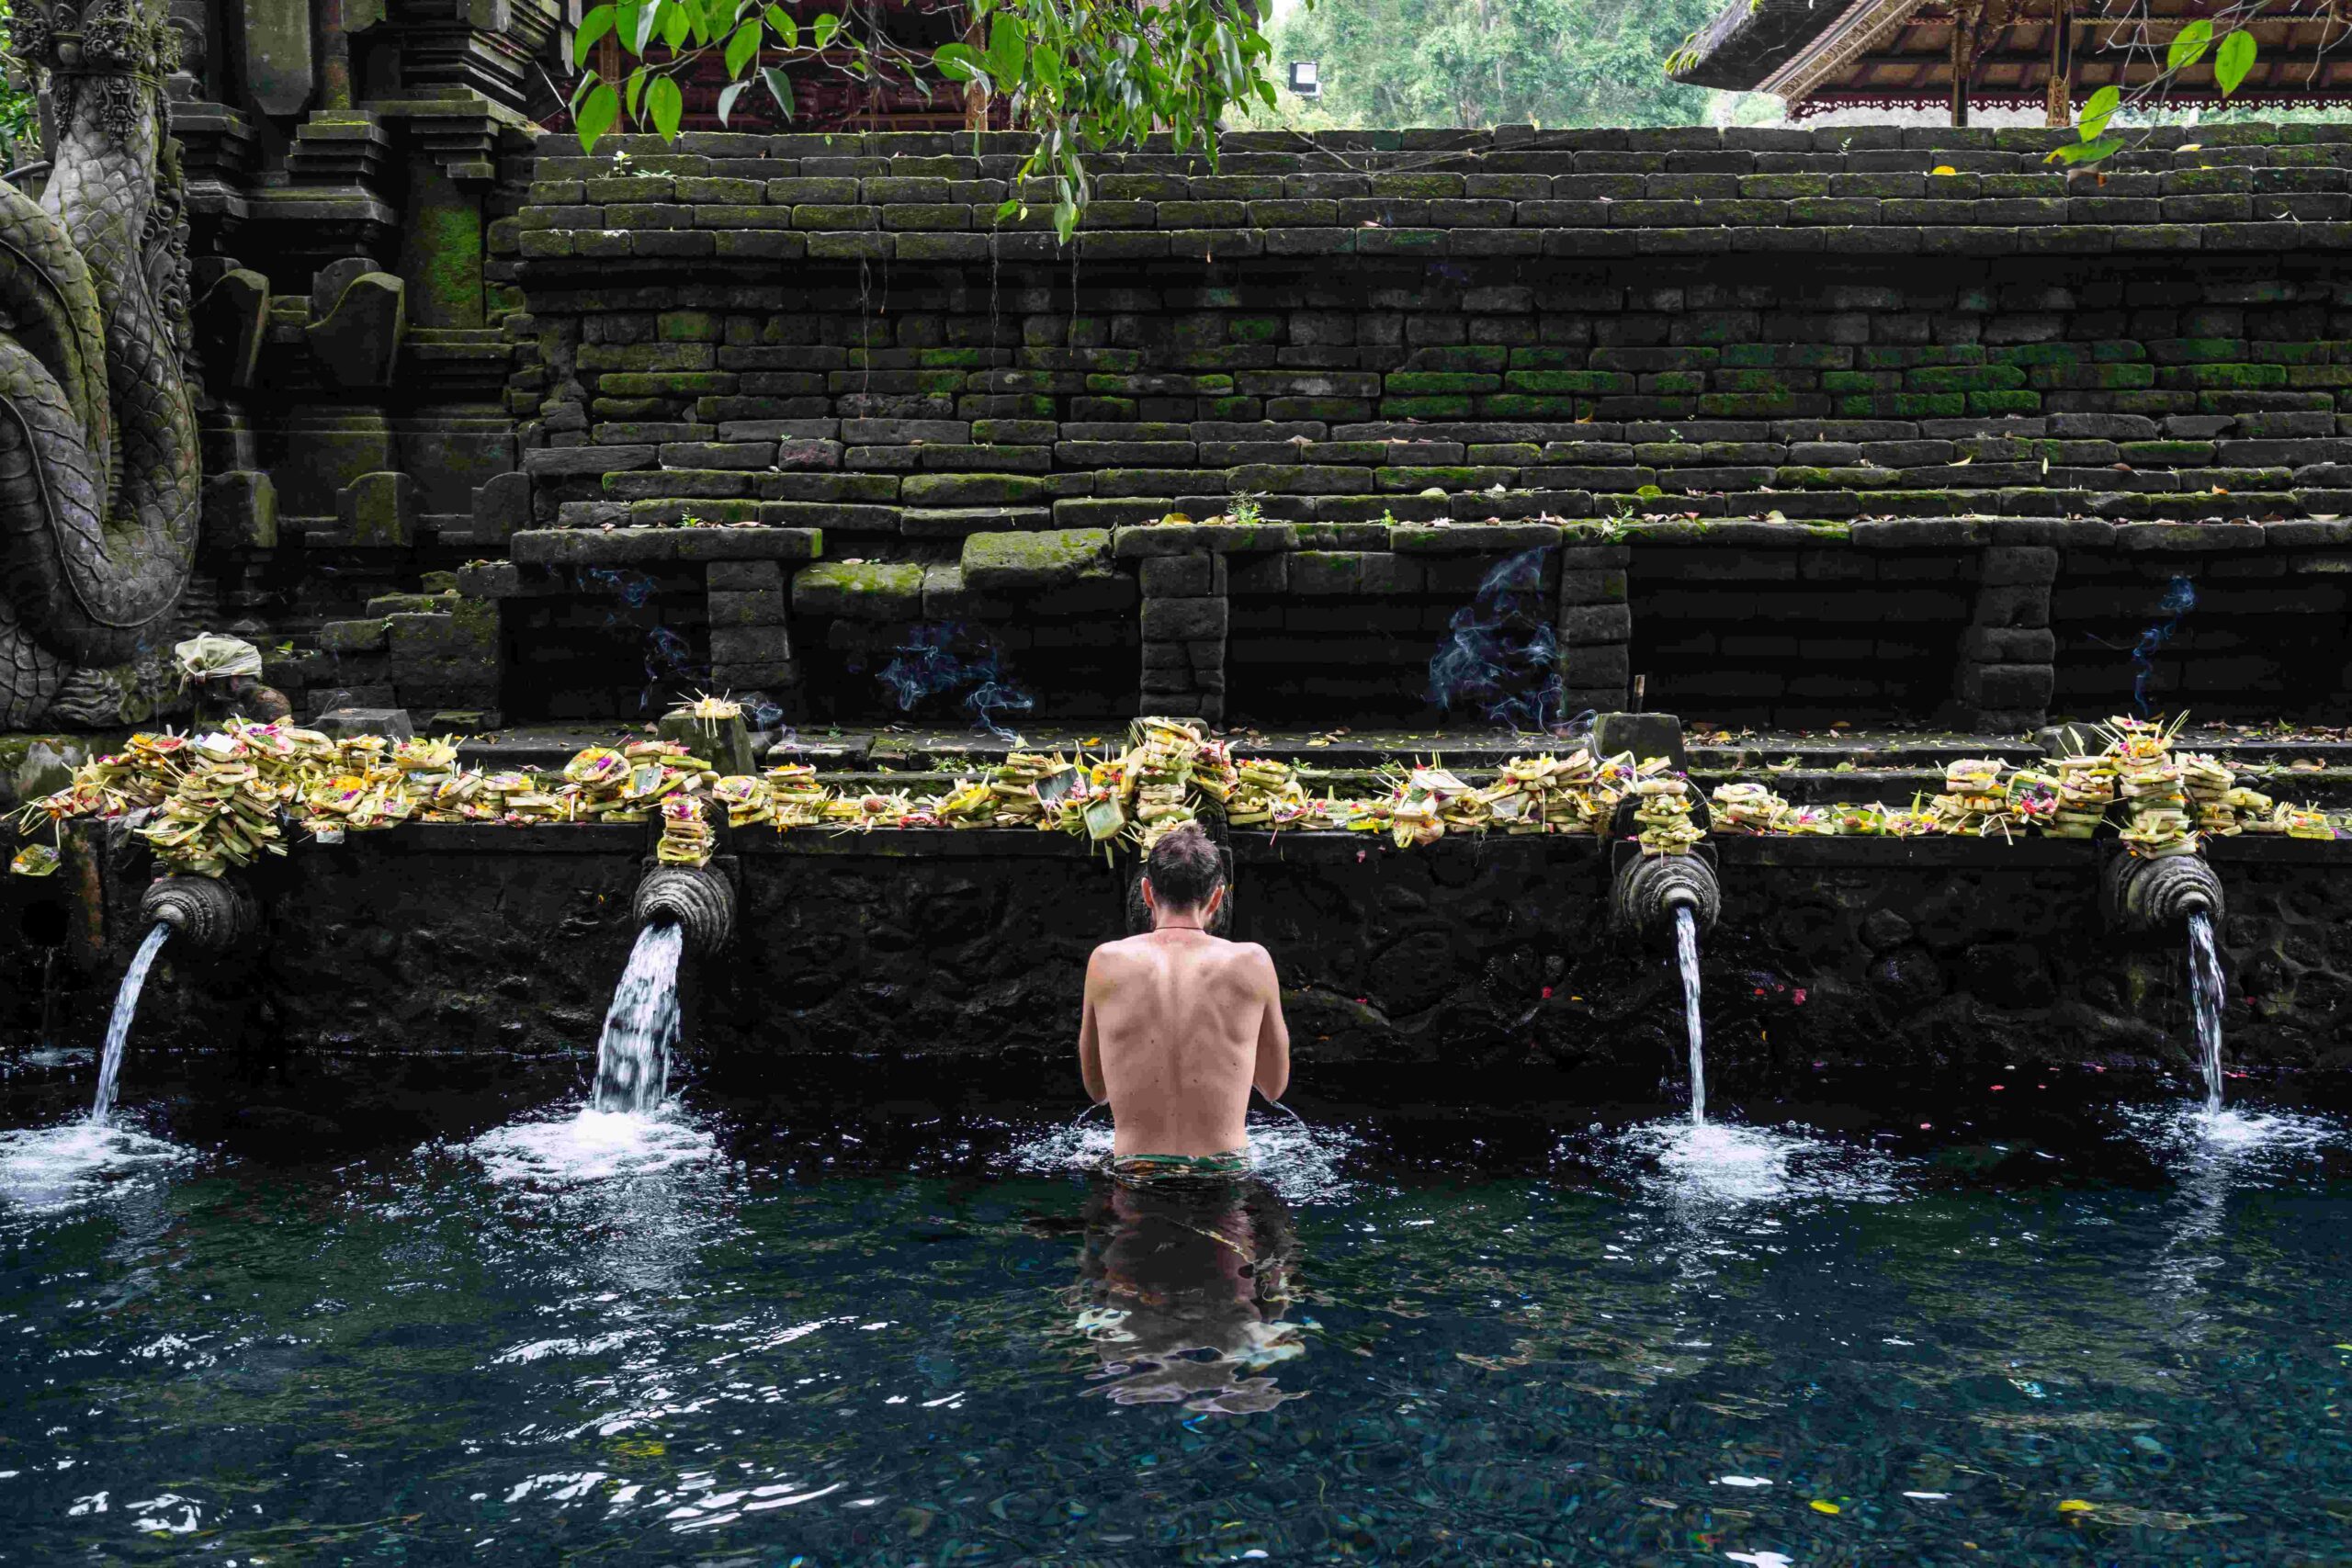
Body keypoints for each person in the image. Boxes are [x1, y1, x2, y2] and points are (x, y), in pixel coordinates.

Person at [1077, 821, 1290, 1184]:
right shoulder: (1253, 961)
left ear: (1146, 892)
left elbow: (1096, 1090)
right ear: (1217, 897)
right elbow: (1274, 1086)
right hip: (1225, 1173)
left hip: (1136, 1171)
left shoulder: (1105, 961)